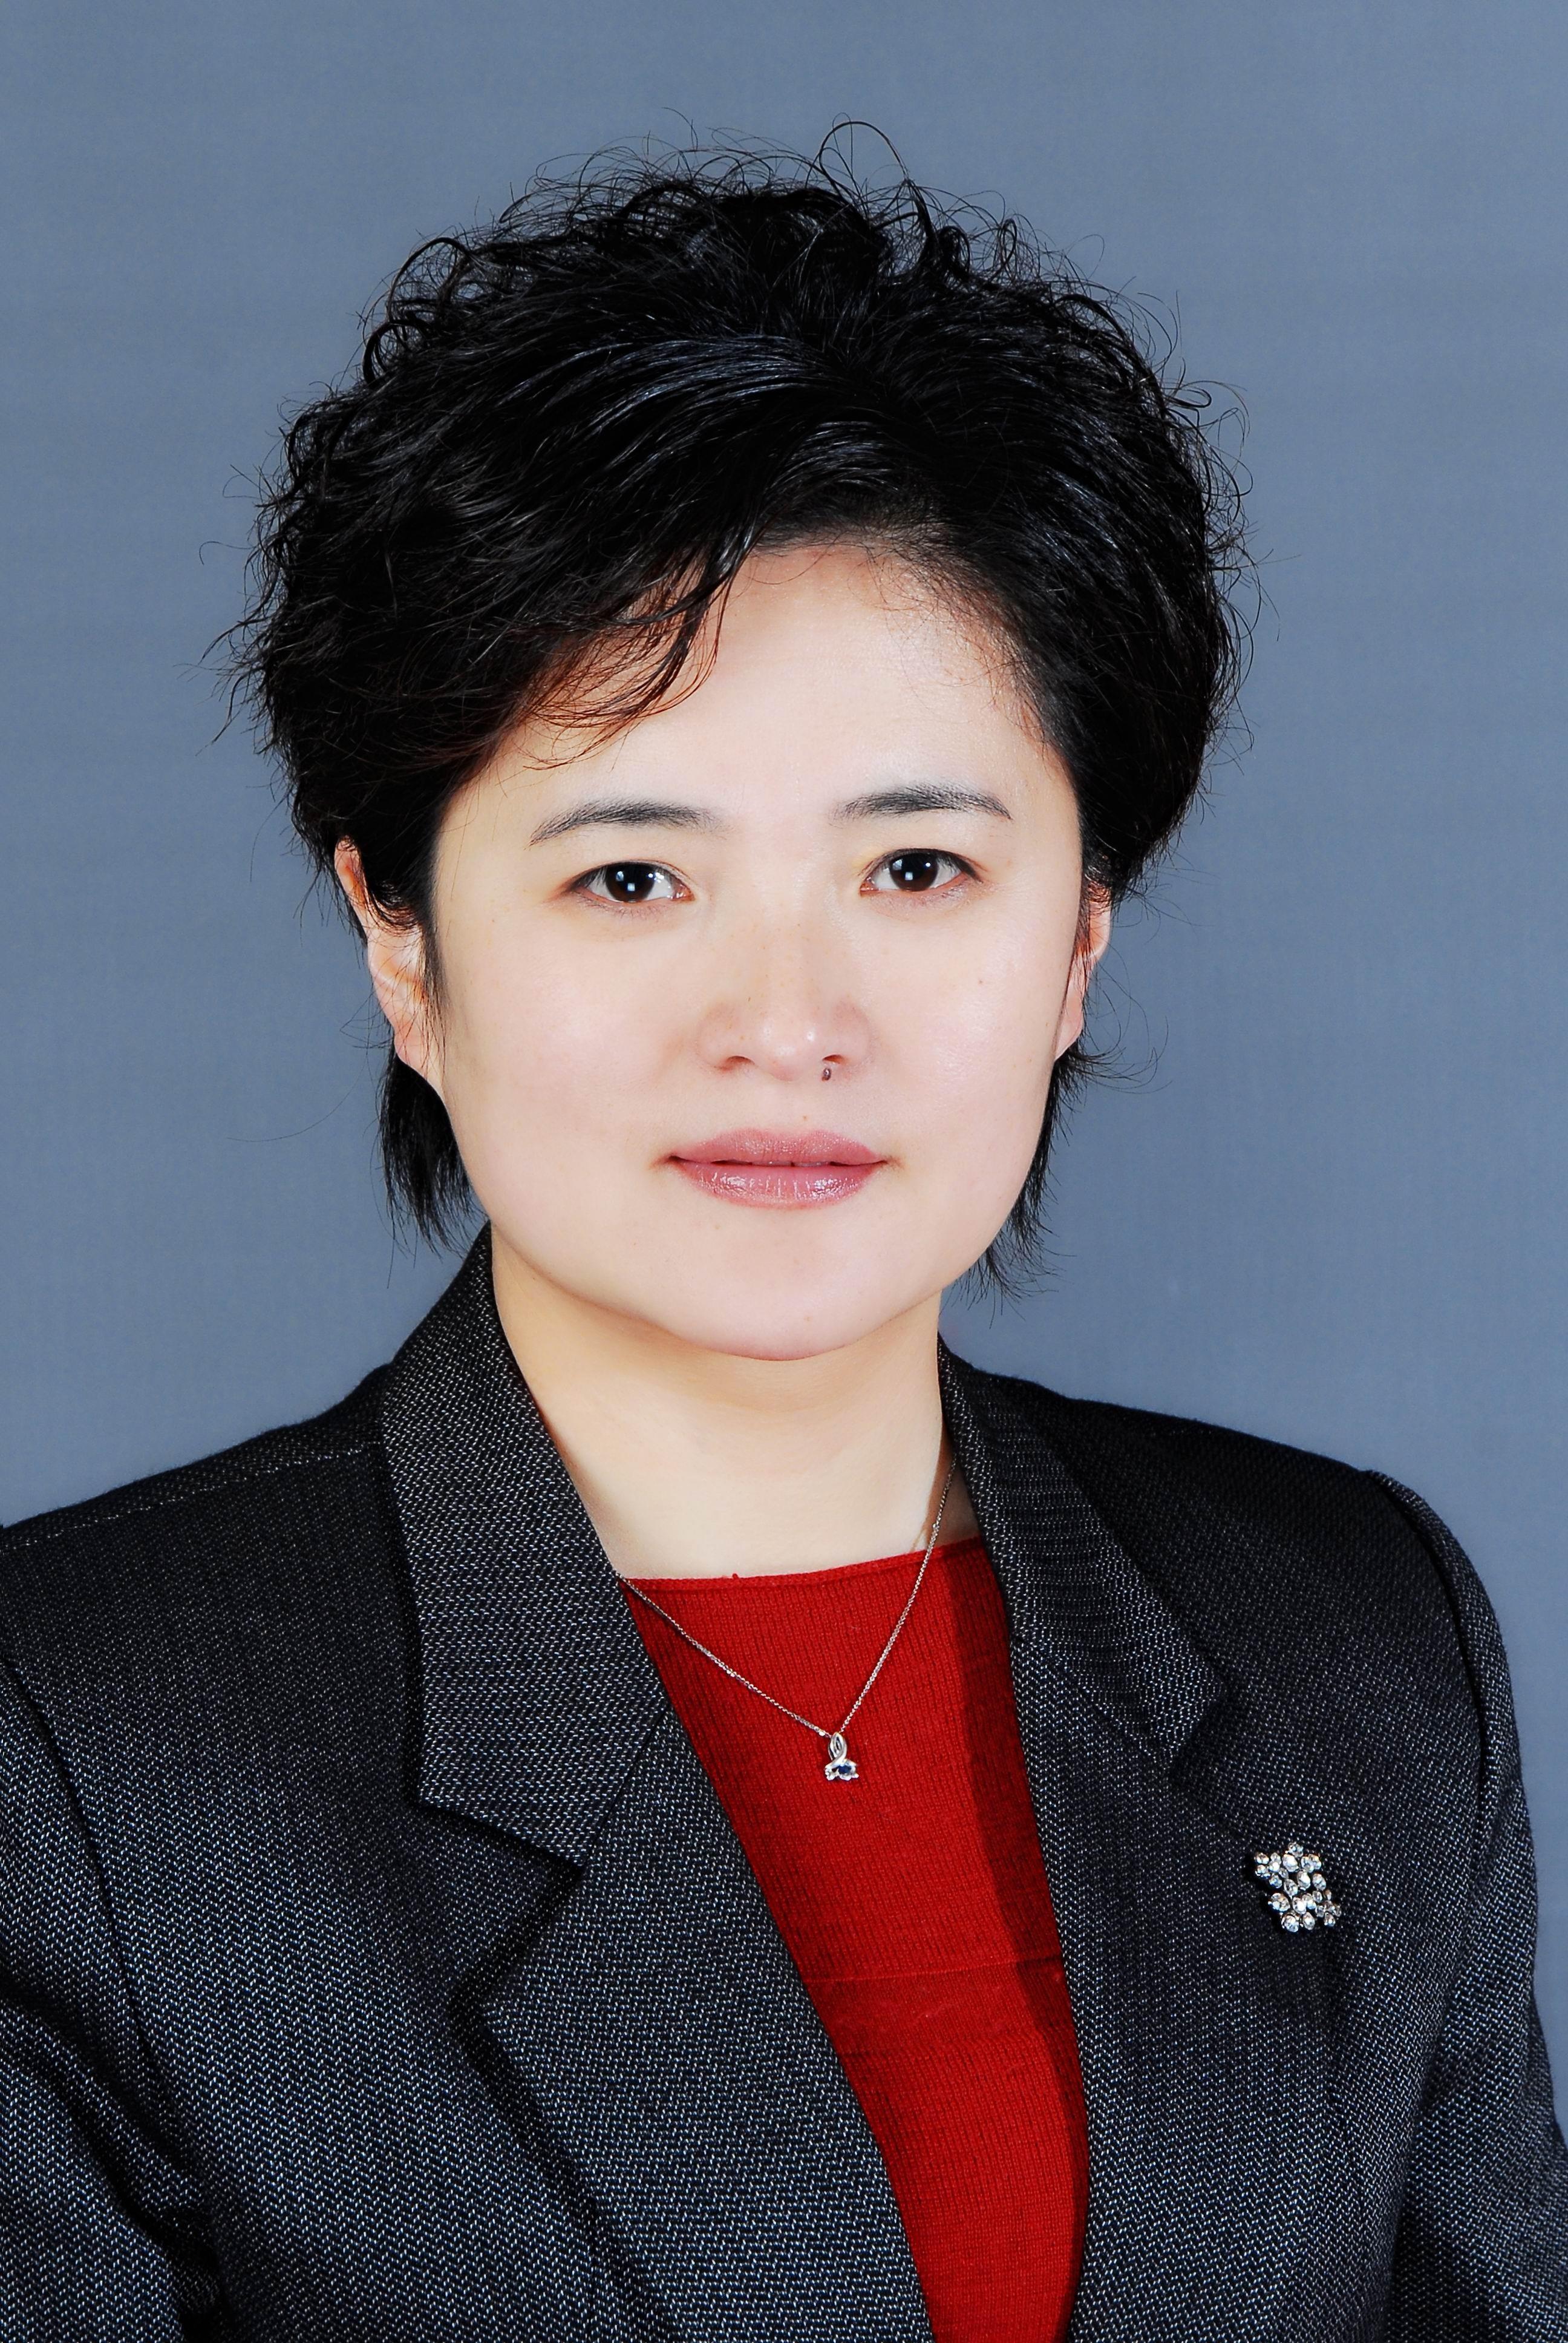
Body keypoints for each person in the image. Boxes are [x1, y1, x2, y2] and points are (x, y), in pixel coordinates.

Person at [1, 143, 1563, 2343]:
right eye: (633, 878)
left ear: (1081, 934)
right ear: (403, 947)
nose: (787, 1024)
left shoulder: (1357, 1641)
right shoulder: (75, 1752)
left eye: (916, 870)